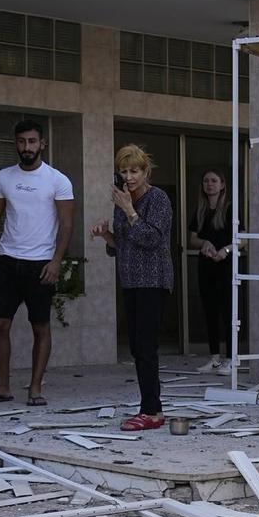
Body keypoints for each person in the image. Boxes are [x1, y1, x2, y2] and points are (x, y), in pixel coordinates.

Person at [0, 118, 75, 405]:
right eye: (22, 142)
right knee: (0, 325)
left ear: (42, 144)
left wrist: (57, 261)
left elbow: (67, 225)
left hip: (41, 263)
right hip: (8, 260)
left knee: (40, 326)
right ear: (16, 144)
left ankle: (35, 388)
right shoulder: (3, 178)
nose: (27, 147)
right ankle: (3, 386)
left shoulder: (58, 180)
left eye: (32, 141)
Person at [90, 145, 173, 430]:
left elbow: (151, 239)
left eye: (134, 171)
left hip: (153, 280)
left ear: (145, 171)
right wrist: (106, 236)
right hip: (130, 280)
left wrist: (129, 210)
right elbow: (123, 245)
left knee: (146, 346)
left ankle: (152, 411)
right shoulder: (121, 201)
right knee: (137, 347)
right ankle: (149, 407)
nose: (129, 177)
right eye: (124, 171)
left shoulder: (158, 199)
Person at [186, 168, 233, 369]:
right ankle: (214, 357)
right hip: (206, 267)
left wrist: (226, 250)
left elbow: (242, 240)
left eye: (214, 180)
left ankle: (231, 358)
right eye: (206, 181)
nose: (209, 184)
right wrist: (204, 243)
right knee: (210, 311)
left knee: (229, 312)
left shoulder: (230, 209)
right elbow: (192, 238)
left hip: (227, 267)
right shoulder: (200, 210)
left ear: (222, 185)